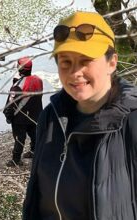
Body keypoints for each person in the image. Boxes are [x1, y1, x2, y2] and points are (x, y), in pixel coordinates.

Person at [23, 11, 137, 219]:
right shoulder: (51, 118)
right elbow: (37, 197)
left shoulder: (132, 122)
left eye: (86, 61)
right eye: (65, 62)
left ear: (112, 62)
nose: (75, 72)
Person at [3, 57, 43, 167]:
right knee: (34, 134)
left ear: (20, 69)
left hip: (20, 118)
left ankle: (16, 160)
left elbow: (10, 105)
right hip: (36, 115)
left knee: (19, 138)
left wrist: (8, 117)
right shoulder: (38, 80)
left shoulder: (17, 86)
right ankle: (34, 152)